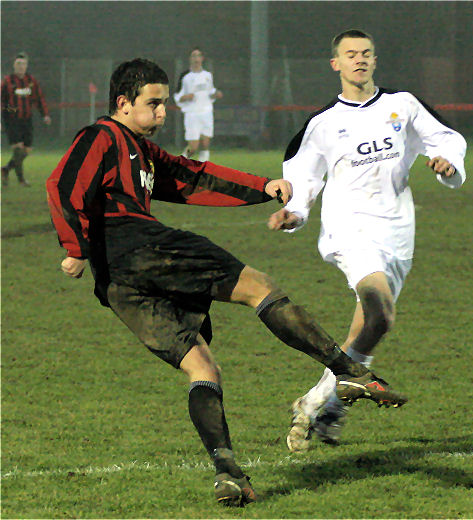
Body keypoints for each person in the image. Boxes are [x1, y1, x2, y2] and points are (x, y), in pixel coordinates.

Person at [46, 58, 407, 507]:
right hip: (140, 244)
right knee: (258, 286)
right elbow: (63, 185)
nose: (162, 114)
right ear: (123, 103)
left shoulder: (143, 151)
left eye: (165, 105)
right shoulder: (102, 135)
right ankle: (348, 372)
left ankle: (228, 474)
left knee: (202, 368)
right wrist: (74, 247)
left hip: (117, 281)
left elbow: (192, 178)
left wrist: (261, 187)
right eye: (153, 104)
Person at [268, 29, 466, 453]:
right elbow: (303, 180)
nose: (359, 60)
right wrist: (294, 213)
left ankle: (319, 404)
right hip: (350, 231)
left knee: (366, 329)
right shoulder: (322, 124)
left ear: (375, 60)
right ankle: (337, 398)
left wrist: (449, 164)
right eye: (350, 54)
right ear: (335, 64)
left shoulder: (403, 106)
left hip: (397, 232)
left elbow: (447, 138)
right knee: (381, 315)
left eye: (366, 54)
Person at [1, 52, 51, 187]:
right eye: (18, 64)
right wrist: (8, 113)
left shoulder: (31, 81)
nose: (21, 67)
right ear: (14, 65)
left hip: (27, 119)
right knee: (18, 149)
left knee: (27, 150)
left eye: (23, 64)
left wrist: (45, 115)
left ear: (27, 66)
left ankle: (6, 169)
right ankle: (21, 180)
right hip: (12, 120)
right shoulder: (7, 81)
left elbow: (39, 99)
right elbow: (1, 102)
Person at [174, 47, 222, 162]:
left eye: (198, 56)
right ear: (190, 59)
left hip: (206, 112)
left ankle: (203, 169)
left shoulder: (208, 75)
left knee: (205, 144)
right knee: (193, 147)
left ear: (202, 58)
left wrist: (215, 94)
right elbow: (177, 96)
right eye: (194, 56)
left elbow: (210, 91)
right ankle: (178, 164)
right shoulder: (185, 77)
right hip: (192, 114)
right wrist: (185, 97)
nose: (196, 58)